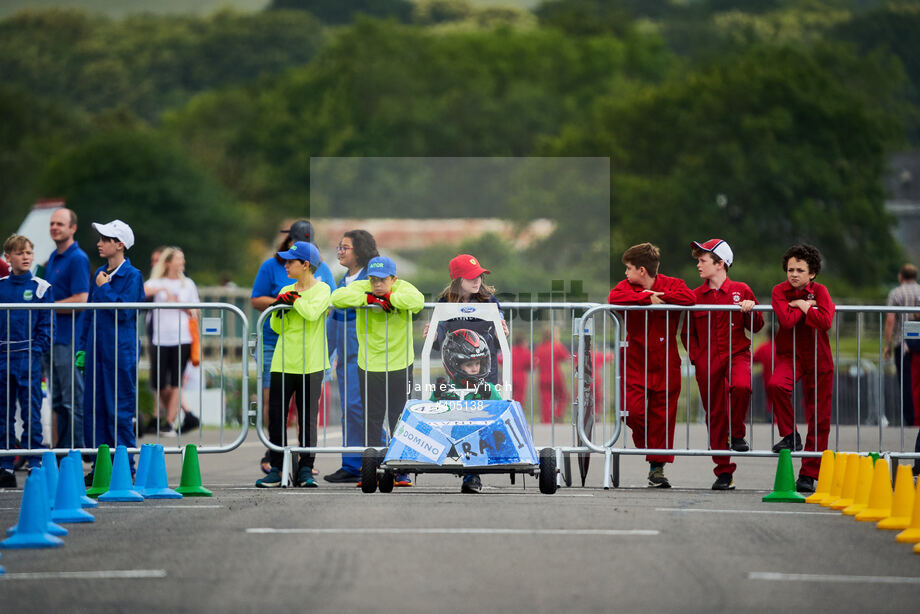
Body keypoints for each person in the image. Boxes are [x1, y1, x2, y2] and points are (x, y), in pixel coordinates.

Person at [331, 256, 424, 487]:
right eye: (373, 279)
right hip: (369, 364)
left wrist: (390, 298)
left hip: (400, 363)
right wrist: (369, 298)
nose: (377, 284)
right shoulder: (363, 288)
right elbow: (337, 297)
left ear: (394, 278)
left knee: (399, 417)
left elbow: (417, 301)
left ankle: (401, 468)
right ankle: (371, 467)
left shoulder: (403, 288)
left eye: (383, 280)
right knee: (371, 418)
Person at [608, 242, 694, 488]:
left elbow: (689, 297)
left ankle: (657, 469)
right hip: (635, 361)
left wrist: (660, 297)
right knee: (632, 411)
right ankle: (649, 445)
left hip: (666, 362)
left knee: (663, 417)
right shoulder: (628, 287)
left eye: (628, 268)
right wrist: (645, 298)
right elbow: (614, 297)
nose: (626, 273)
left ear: (642, 270)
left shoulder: (672, 284)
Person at [251, 220, 335, 473]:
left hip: (311, 363)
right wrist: (279, 308)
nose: (285, 265)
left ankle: (306, 467)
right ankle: (277, 467)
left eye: (290, 262)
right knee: (276, 416)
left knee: (307, 418)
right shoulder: (286, 288)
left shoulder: (322, 288)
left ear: (305, 265)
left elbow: (311, 313)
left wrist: (294, 301)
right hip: (283, 361)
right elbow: (277, 327)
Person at [681, 239, 764, 491]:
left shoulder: (742, 289)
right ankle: (724, 472)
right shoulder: (694, 296)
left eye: (703, 260)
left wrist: (751, 310)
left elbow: (758, 326)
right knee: (715, 415)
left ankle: (737, 432)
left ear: (720, 264)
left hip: (737, 354)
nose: (698, 264)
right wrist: (696, 357)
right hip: (707, 361)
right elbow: (687, 333)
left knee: (742, 387)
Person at [76, 220, 145, 476]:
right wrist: (82, 347)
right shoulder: (100, 275)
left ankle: (125, 466)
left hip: (120, 352)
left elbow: (125, 311)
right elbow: (89, 315)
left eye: (105, 239)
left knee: (119, 409)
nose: (99, 243)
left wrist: (104, 288)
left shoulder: (132, 276)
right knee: (95, 410)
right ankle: (101, 465)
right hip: (96, 350)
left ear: (120, 244)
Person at [767, 244, 835, 493]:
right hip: (790, 356)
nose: (793, 274)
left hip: (819, 358)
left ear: (812, 273)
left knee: (819, 418)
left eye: (800, 270)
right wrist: (803, 305)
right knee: (776, 384)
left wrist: (803, 307)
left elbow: (825, 322)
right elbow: (785, 321)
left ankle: (808, 474)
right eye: (790, 269)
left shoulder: (821, 291)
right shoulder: (778, 291)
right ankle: (789, 434)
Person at [324, 230, 379, 484]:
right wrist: (328, 353)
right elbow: (334, 322)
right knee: (350, 410)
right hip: (346, 358)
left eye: (345, 247)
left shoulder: (374, 278)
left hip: (369, 357)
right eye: (339, 247)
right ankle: (352, 463)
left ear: (360, 250)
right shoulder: (343, 279)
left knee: (367, 411)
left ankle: (380, 460)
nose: (340, 251)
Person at [0, 235, 52, 487]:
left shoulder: (42, 288)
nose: (25, 257)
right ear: (8, 257)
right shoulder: (1, 287)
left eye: (29, 252)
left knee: (31, 412)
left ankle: (35, 463)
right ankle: (6, 465)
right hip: (2, 358)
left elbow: (46, 325)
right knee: (3, 413)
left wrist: (36, 350)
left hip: (29, 359)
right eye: (19, 253)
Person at [431, 329, 501, 494]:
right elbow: (426, 415)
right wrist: (441, 398)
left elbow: (502, 415)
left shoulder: (488, 389)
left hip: (481, 444)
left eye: (477, 364)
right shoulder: (444, 390)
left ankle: (472, 476)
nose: (475, 369)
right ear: (454, 364)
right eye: (469, 365)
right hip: (447, 442)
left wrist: (485, 400)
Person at [44, 207, 90, 450]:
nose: (54, 227)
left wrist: (46, 307)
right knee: (59, 399)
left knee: (72, 399)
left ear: (72, 228)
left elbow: (82, 299)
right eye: (52, 223)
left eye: (60, 224)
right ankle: (63, 451)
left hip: (68, 337)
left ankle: (75, 450)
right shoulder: (53, 257)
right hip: (52, 337)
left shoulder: (78, 258)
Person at [144, 247, 201, 436]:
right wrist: (162, 289)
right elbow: (143, 291)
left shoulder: (188, 284)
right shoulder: (156, 281)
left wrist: (177, 302)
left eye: (182, 259)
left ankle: (169, 421)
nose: (182, 263)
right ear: (168, 262)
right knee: (159, 382)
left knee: (177, 380)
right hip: (160, 337)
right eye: (178, 259)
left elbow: (196, 310)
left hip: (182, 337)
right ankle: (173, 414)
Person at [429, 254, 509, 388]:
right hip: (458, 361)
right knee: (460, 399)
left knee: (488, 398)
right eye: (471, 277)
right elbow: (441, 327)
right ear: (457, 280)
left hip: (485, 358)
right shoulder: (446, 300)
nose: (477, 281)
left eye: (479, 276)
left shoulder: (489, 299)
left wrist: (500, 334)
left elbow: (499, 326)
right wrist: (435, 336)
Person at [882, 263, 920, 477]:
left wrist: (888, 343)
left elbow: (890, 319)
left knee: (905, 382)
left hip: (900, 341)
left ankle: (909, 417)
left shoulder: (896, 293)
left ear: (900, 276)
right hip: (919, 342)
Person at [534, 329, 571, 423]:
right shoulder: (556, 346)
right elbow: (566, 357)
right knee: (563, 396)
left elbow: (535, 361)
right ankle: (557, 414)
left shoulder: (539, 347)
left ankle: (546, 420)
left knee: (546, 400)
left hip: (542, 377)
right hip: (555, 376)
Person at [510, 333, 532, 407]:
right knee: (519, 400)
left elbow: (500, 360)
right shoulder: (526, 352)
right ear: (523, 342)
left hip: (508, 377)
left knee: (506, 397)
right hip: (520, 378)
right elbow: (531, 365)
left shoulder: (510, 351)